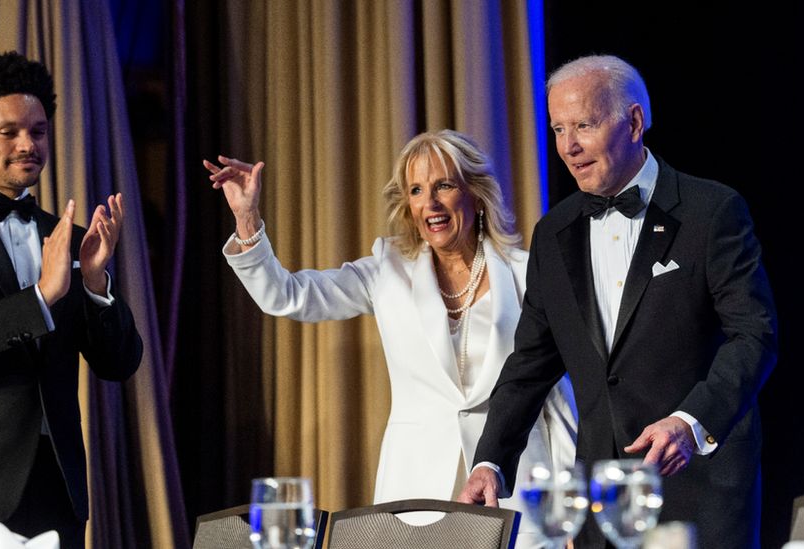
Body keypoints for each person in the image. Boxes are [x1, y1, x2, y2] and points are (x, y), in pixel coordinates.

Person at [458, 55, 778, 549]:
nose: (569, 146)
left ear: (633, 122)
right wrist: (491, 460)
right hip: (598, 497)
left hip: (695, 487)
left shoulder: (710, 212)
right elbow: (530, 363)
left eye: (583, 125)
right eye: (559, 129)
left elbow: (754, 336)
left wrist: (690, 422)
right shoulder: (554, 234)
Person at [205, 129, 576, 548]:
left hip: (515, 486)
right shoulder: (387, 272)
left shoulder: (528, 274)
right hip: (415, 490)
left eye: (444, 185)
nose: (430, 203)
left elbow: (555, 399)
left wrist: (566, 511)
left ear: (475, 192)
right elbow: (290, 296)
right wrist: (247, 221)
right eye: (417, 190)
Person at [0, 51, 143, 548]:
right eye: (8, 131)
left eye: (38, 131)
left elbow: (120, 363)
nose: (26, 145)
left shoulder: (67, 237)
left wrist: (97, 284)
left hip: (58, 488)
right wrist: (40, 298)